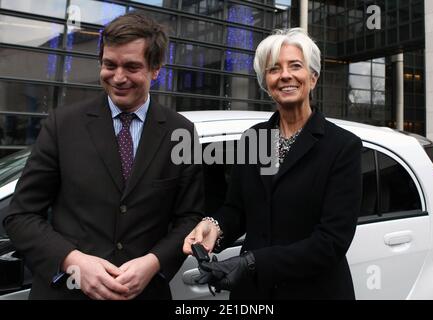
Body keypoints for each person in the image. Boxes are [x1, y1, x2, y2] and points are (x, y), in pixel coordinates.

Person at [3, 12, 204, 300]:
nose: (118, 77)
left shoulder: (181, 131)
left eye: (132, 67)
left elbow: (189, 218)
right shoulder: (62, 125)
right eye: (110, 65)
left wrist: (154, 262)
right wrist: (73, 260)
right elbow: (21, 215)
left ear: (156, 69)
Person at [183, 28, 362, 300]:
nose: (285, 75)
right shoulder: (253, 138)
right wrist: (214, 227)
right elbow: (237, 209)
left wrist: (253, 263)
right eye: (274, 69)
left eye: (295, 66)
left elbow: (330, 243)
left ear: (313, 77)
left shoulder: (342, 146)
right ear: (266, 83)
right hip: (254, 295)